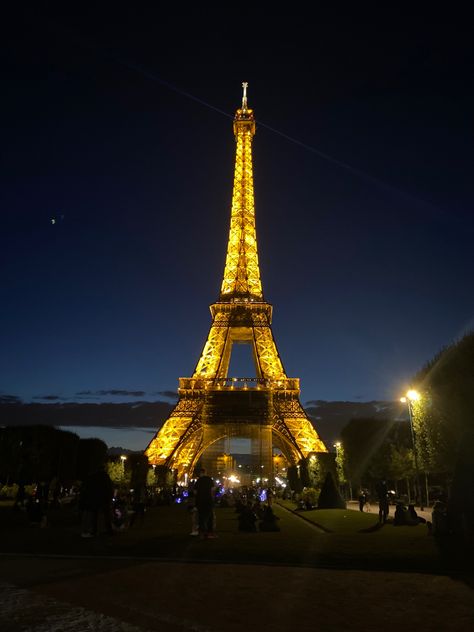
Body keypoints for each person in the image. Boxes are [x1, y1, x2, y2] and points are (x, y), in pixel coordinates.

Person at [193, 468, 217, 538]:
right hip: (208, 501)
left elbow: (195, 492)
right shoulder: (210, 480)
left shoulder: (198, 481)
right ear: (205, 473)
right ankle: (210, 532)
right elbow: (212, 490)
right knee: (210, 517)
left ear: (200, 473)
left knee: (201, 517)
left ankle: (202, 532)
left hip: (200, 501)